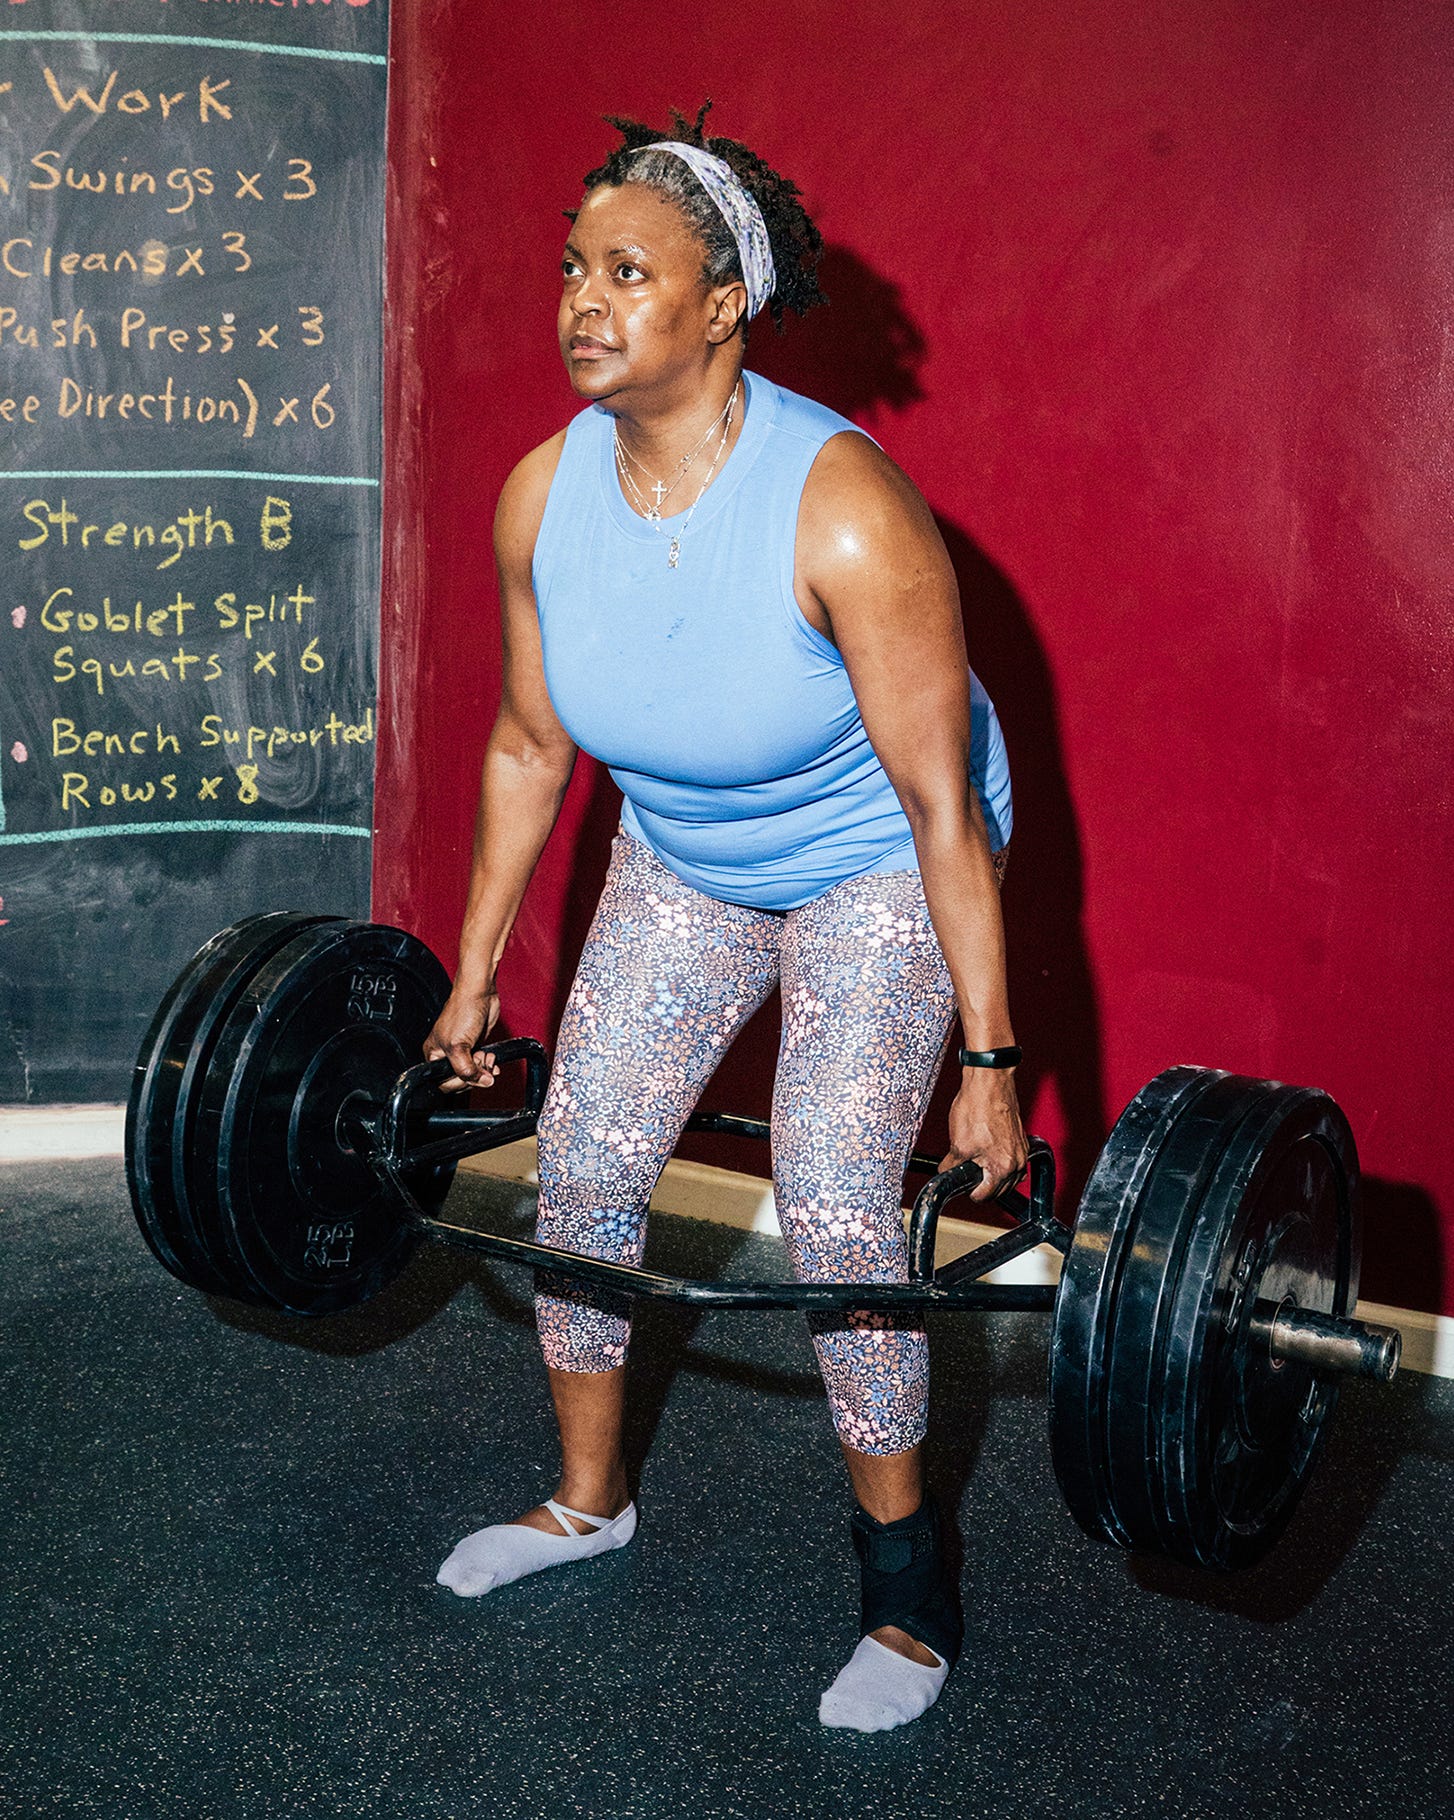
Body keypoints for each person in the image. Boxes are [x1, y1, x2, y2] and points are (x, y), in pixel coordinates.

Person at [424, 105, 1027, 1734]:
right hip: (687, 855)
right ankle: (584, 1498)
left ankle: (903, 1593)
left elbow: (939, 808)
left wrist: (989, 1059)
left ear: (720, 306)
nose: (583, 299)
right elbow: (527, 748)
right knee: (589, 1162)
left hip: (873, 867)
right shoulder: (541, 497)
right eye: (572, 266)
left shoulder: (841, 508)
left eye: (629, 270)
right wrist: (470, 979)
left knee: (835, 1200)